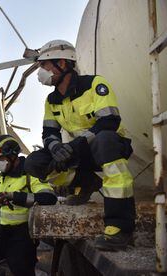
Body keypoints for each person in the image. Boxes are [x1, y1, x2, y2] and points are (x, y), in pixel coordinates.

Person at [25, 39, 136, 251]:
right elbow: (49, 132)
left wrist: (76, 145)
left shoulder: (94, 84)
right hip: (79, 152)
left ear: (63, 64)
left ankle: (120, 227)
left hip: (107, 147)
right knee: (34, 163)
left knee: (105, 139)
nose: (41, 72)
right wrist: (56, 147)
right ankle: (86, 182)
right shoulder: (52, 100)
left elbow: (110, 121)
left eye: (44, 65)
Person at [0, 135, 57, 276]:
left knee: (20, 268)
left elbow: (48, 198)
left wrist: (14, 197)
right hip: (2, 232)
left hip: (23, 235)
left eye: (0, 159)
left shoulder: (30, 173)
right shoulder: (3, 177)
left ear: (13, 157)